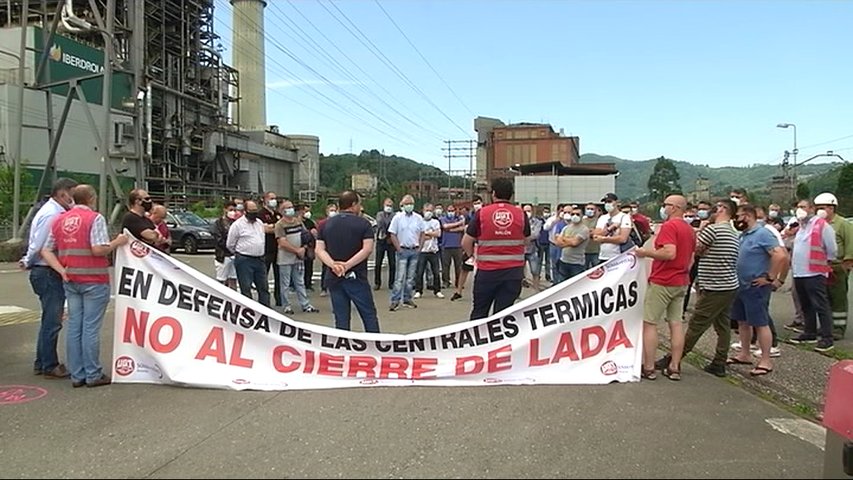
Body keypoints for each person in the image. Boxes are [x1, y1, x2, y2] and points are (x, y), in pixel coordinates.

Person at [40, 185, 128, 388]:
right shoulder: (94, 218)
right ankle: (93, 374)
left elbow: (46, 250)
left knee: (74, 327)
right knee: (90, 328)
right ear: (91, 198)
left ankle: (77, 375)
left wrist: (61, 270)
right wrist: (117, 242)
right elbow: (98, 249)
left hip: (71, 279)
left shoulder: (59, 219)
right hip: (93, 280)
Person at [656, 199, 740, 377]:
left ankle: (674, 359)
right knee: (723, 326)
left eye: (715, 208)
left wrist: (702, 228)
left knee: (697, 324)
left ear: (722, 210)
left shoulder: (713, 230)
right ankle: (719, 361)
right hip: (729, 284)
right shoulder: (733, 232)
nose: (710, 211)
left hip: (714, 285)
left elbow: (695, 248)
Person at [19, 177, 78, 378]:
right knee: (53, 320)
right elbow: (40, 243)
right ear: (62, 194)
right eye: (72, 195)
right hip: (46, 270)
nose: (74, 200)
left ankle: (42, 361)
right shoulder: (53, 214)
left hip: (44, 270)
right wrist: (28, 259)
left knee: (49, 319)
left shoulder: (51, 211)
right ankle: (49, 365)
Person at [635, 195, 696, 381]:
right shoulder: (689, 229)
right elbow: (691, 257)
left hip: (663, 280)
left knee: (650, 322)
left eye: (666, 205)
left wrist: (646, 252)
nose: (664, 208)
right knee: (676, 323)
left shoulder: (669, 227)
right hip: (681, 280)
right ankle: (675, 366)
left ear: (675, 208)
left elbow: (669, 252)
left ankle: (648, 367)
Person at [726, 204, 789, 376]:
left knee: (760, 323)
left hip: (756, 286)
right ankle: (744, 353)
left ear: (747, 216)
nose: (736, 220)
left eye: (738, 216)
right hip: (741, 285)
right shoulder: (744, 235)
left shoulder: (763, 234)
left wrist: (770, 277)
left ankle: (766, 360)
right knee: (742, 322)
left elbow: (781, 255)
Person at [462, 177, 530, 320]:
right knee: (503, 316)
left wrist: (472, 257)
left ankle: (478, 341)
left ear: (493, 194)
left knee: (479, 313)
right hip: (513, 274)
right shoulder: (521, 214)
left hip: (487, 273)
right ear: (511, 195)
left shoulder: (482, 213)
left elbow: (466, 241)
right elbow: (526, 241)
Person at [315, 191, 380, 333]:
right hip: (356, 275)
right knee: (368, 315)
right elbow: (367, 249)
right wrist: (347, 265)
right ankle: (375, 346)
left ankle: (343, 348)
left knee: (341, 318)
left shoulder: (324, 224)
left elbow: (319, 250)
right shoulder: (364, 224)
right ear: (354, 205)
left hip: (334, 276)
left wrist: (334, 265)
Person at [788, 199, 837, 352]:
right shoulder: (801, 226)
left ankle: (827, 338)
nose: (799, 210)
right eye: (797, 207)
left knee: (820, 305)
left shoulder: (822, 225)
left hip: (815, 271)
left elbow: (832, 249)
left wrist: (824, 261)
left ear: (811, 209)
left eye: (803, 207)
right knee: (806, 305)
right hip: (799, 272)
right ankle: (809, 332)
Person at [813, 192, 852, 340]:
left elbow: (850, 244)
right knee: (824, 298)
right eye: (818, 207)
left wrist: (847, 264)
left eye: (823, 207)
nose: (820, 210)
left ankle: (838, 328)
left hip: (837, 266)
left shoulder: (842, 224)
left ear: (832, 208)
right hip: (820, 266)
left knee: (838, 298)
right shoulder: (817, 223)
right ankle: (826, 326)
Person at [274, 200, 320, 314]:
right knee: (285, 283)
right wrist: (297, 250)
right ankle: (286, 305)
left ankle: (305, 304)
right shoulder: (279, 225)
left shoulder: (298, 222)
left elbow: (305, 236)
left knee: (299, 281)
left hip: (299, 257)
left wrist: (304, 248)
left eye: (291, 207)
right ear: (282, 211)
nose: (291, 209)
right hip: (285, 257)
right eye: (287, 207)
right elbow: (282, 242)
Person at [226, 200, 271, 307]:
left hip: (260, 259)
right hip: (244, 260)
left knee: (263, 287)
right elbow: (230, 244)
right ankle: (249, 311)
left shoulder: (259, 223)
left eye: (255, 210)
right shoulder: (237, 225)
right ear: (245, 211)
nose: (254, 213)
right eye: (251, 211)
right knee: (246, 288)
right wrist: (240, 254)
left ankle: (266, 310)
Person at [388, 194, 425, 311]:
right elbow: (392, 233)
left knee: (410, 278)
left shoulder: (418, 218)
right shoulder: (397, 218)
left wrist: (420, 247)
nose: (409, 205)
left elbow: (423, 233)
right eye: (407, 204)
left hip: (414, 250)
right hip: (402, 250)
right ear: (402, 205)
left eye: (411, 203)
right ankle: (395, 300)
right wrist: (398, 248)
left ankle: (407, 298)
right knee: (399, 278)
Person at [592, 193, 634, 264]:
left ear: (616, 202)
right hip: (603, 256)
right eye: (605, 202)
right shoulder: (602, 218)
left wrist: (603, 238)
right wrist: (609, 229)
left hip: (619, 257)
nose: (607, 204)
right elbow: (595, 236)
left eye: (609, 202)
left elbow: (623, 239)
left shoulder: (624, 217)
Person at [414, 203, 443, 299]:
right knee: (420, 271)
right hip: (422, 250)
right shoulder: (419, 222)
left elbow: (438, 234)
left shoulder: (436, 222)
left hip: (433, 250)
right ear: (423, 211)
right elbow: (418, 235)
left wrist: (426, 234)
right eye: (427, 210)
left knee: (436, 271)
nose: (428, 213)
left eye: (430, 210)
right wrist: (429, 234)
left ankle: (437, 290)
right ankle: (418, 290)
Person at [554, 205, 590, 282]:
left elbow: (575, 243)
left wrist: (564, 239)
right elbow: (558, 242)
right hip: (564, 261)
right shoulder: (566, 228)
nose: (575, 216)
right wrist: (569, 240)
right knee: (561, 284)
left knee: (576, 285)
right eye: (573, 214)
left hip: (577, 263)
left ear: (582, 216)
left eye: (577, 214)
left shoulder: (584, 229)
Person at [258, 192, 282, 306]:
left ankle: (279, 299)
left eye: (275, 198)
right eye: (271, 198)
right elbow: (263, 229)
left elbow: (283, 228)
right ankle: (264, 301)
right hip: (266, 249)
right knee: (263, 276)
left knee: (279, 276)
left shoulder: (277, 214)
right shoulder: (261, 214)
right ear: (265, 200)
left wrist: (272, 227)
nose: (274, 200)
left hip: (278, 249)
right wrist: (276, 227)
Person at [212, 201, 239, 289]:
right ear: (225, 210)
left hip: (234, 255)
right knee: (221, 280)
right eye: (231, 210)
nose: (233, 212)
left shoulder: (236, 223)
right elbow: (218, 240)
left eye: (235, 210)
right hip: (223, 256)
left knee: (233, 279)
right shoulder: (218, 223)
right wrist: (230, 247)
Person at [440, 203, 466, 290]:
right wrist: (458, 224)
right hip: (446, 245)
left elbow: (463, 228)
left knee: (458, 266)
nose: (451, 212)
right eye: (449, 210)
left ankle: (458, 283)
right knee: (445, 266)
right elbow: (445, 226)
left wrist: (451, 229)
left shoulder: (459, 218)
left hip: (457, 246)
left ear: (455, 211)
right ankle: (445, 282)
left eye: (452, 210)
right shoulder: (443, 218)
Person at [373, 197, 397, 290]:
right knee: (378, 262)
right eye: (387, 205)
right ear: (383, 205)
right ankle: (377, 283)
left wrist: (390, 234)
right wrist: (389, 228)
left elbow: (394, 225)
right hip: (381, 240)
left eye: (390, 205)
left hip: (391, 241)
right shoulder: (379, 214)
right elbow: (381, 224)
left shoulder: (394, 215)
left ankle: (391, 283)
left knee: (392, 263)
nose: (389, 207)